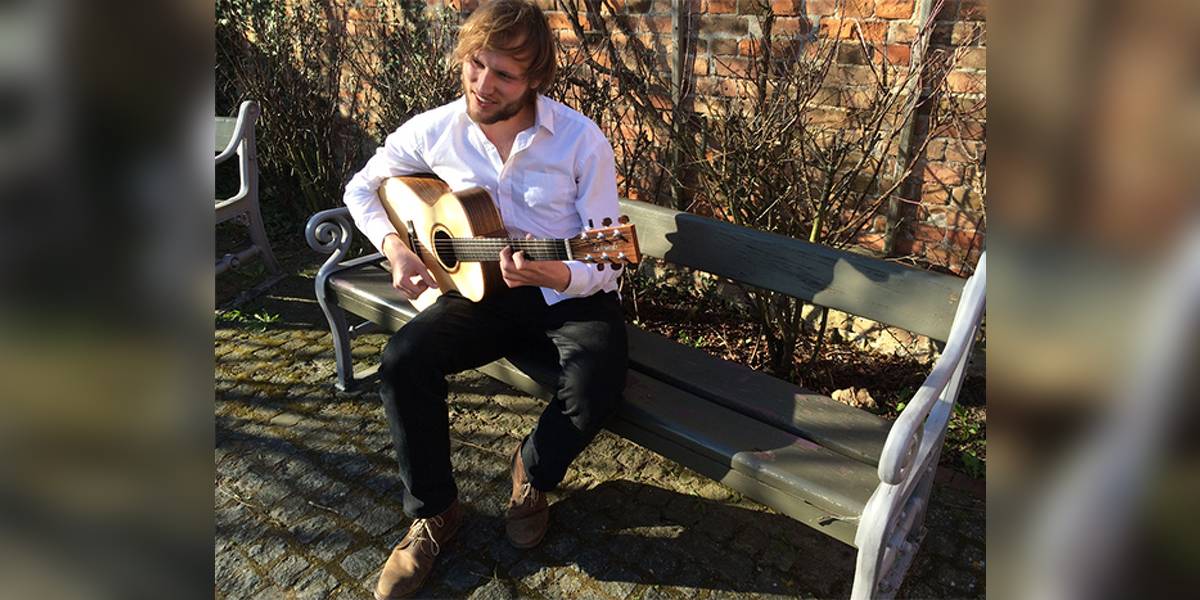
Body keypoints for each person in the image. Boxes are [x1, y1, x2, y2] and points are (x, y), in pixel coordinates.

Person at [341, 1, 628, 598]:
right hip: (479, 292)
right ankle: (435, 513)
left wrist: (555, 273)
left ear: (535, 79)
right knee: (402, 361)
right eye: (476, 64)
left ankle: (532, 471)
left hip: (567, 294)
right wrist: (398, 249)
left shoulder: (580, 141)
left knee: (595, 385)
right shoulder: (435, 129)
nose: (483, 84)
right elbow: (362, 188)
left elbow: (607, 261)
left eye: (504, 75)